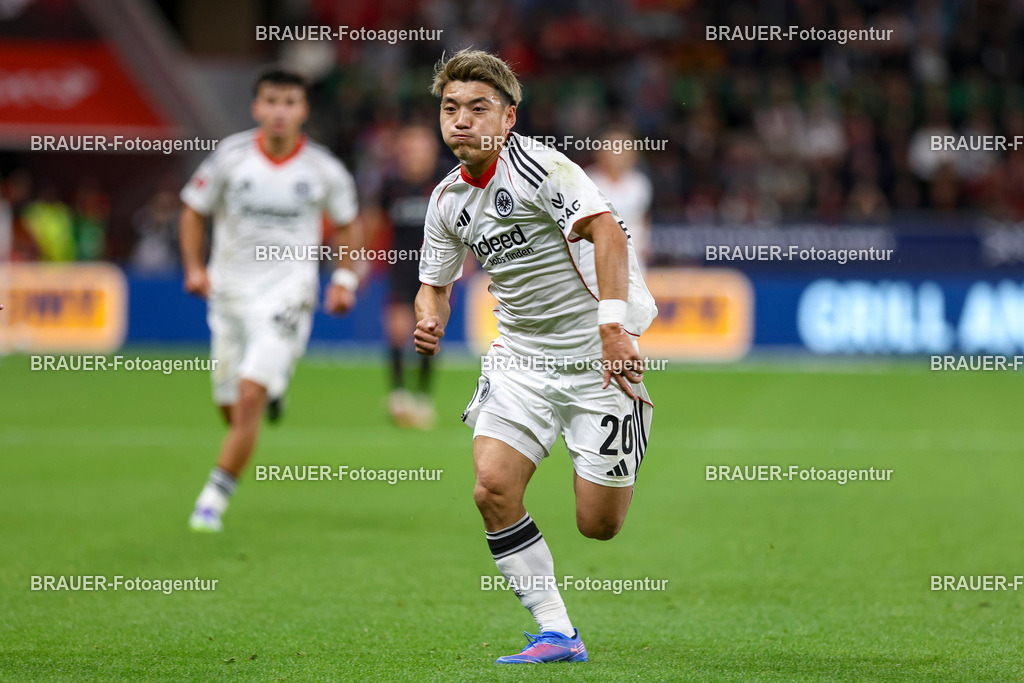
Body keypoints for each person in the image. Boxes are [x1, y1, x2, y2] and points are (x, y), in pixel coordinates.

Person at [414, 49, 657, 664]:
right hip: (519, 359)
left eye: (479, 108)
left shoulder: (543, 167)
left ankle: (623, 434)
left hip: (596, 356)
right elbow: (435, 282)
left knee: (598, 525)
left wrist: (612, 327)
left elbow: (604, 230)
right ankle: (556, 630)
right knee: (492, 488)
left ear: (509, 117)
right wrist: (429, 315)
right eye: (451, 109)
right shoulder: (446, 201)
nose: (462, 121)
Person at [179, 67, 361, 532]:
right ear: (256, 107)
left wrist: (344, 278)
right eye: (272, 101)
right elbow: (193, 211)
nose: (280, 111)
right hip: (229, 294)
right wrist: (195, 268)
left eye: (290, 102)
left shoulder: (323, 169)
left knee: (248, 395)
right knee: (231, 408)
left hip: (288, 293)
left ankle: (211, 502)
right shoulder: (230, 157)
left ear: (303, 110)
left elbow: (346, 224)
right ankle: (274, 390)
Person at [377, 124, 447, 428]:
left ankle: (422, 397)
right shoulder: (391, 186)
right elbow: (375, 223)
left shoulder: (445, 183)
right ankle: (398, 395)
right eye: (408, 150)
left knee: (429, 331)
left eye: (420, 149)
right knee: (396, 330)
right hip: (400, 270)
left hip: (436, 273)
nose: (414, 155)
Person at [586, 128, 653, 269]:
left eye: (625, 148)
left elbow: (643, 218)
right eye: (613, 148)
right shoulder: (587, 181)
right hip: (594, 258)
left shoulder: (640, 184)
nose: (619, 154)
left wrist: (645, 242)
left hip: (633, 258)